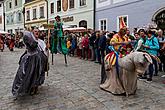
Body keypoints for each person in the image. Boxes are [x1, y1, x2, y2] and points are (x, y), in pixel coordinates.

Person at [12, 31, 48, 96]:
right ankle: (31, 87)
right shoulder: (29, 40)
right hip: (33, 57)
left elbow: (44, 50)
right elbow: (28, 49)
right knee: (30, 73)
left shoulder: (41, 42)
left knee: (37, 73)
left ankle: (35, 87)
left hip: (38, 58)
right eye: (35, 33)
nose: (36, 34)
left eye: (37, 33)